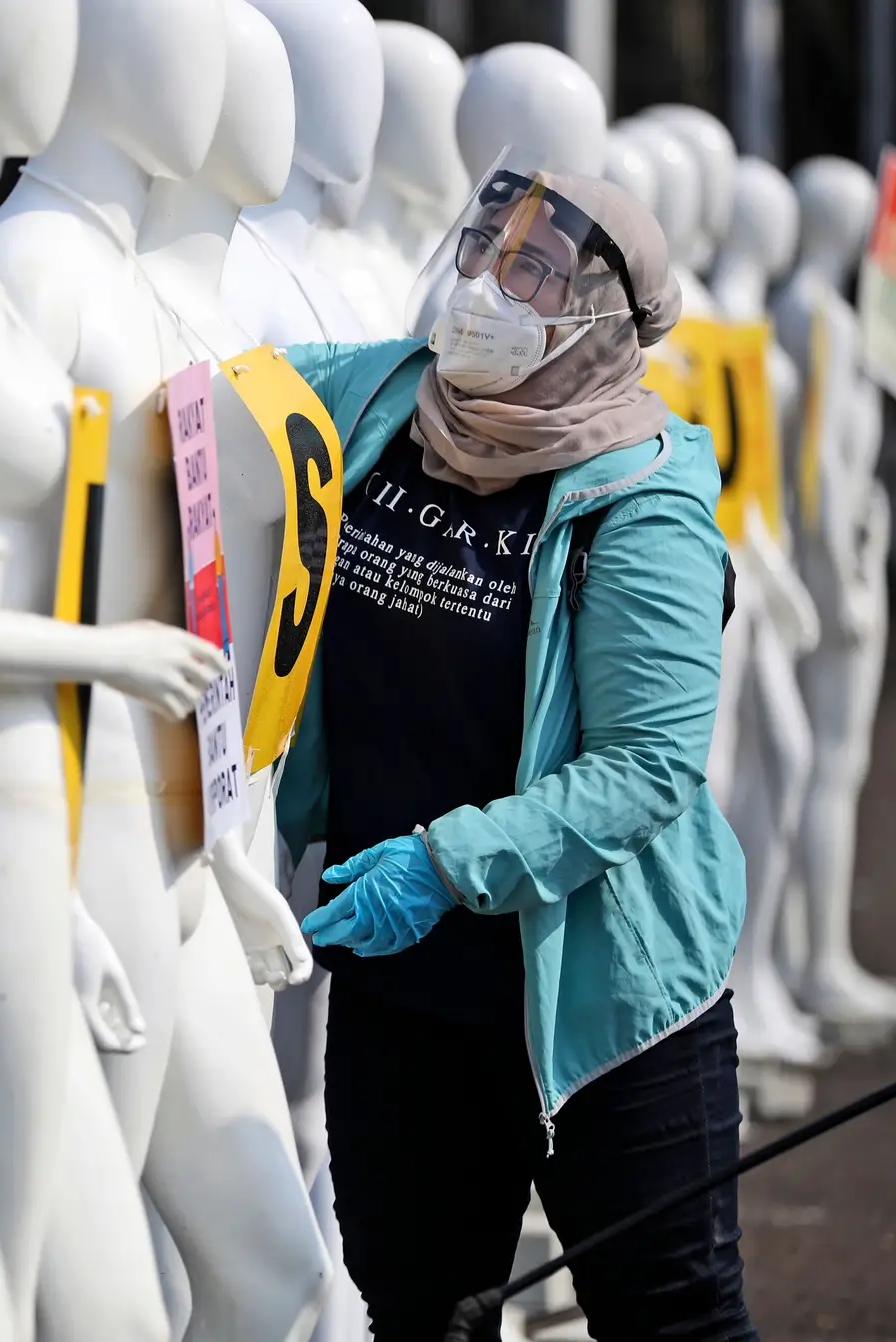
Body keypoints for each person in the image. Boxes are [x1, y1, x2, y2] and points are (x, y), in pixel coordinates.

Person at [276, 155, 758, 1341]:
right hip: (408, 999)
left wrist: (443, 865)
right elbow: (205, 410)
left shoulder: (638, 500)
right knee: (422, 1316)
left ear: (600, 317)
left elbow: (647, 765)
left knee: (672, 1318)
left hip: (606, 1007)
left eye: (532, 271)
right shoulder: (381, 401)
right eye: (485, 252)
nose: (488, 286)